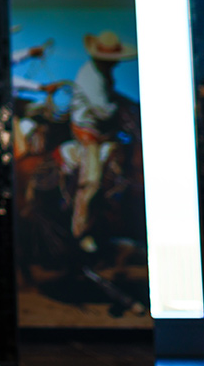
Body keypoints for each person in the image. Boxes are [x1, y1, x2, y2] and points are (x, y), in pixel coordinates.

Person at [63, 30, 137, 251]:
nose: (114, 64)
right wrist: (123, 107)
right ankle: (79, 231)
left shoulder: (103, 73)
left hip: (103, 129)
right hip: (87, 131)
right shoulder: (90, 76)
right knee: (92, 180)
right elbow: (103, 111)